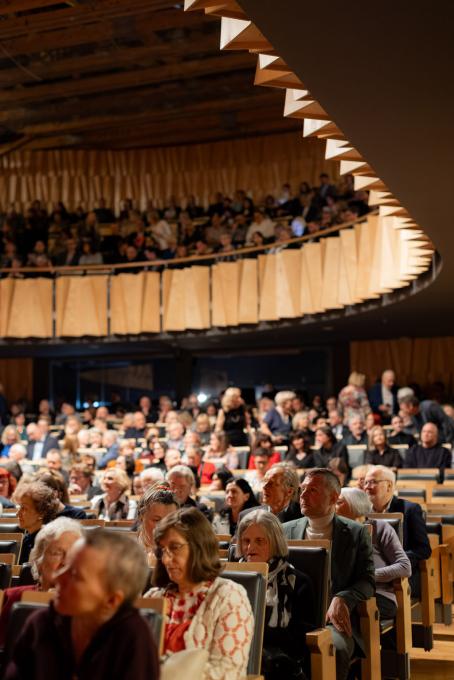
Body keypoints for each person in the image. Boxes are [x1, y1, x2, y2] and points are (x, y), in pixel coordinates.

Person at [5, 529, 160, 680]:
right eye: (65, 566)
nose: (57, 577)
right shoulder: (42, 623)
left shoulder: (134, 639)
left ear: (112, 600)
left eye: (75, 575)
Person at [283, 468, 375, 680]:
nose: (303, 496)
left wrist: (343, 597)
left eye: (312, 490)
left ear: (333, 497)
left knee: (334, 648)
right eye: (302, 490)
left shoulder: (356, 532)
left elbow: (367, 580)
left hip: (333, 621)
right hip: (291, 617)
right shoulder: (284, 530)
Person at [146, 507, 253, 679]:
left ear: (199, 547)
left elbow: (226, 672)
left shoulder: (229, 597)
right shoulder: (153, 597)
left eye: (175, 547)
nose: (165, 559)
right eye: (163, 551)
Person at [237, 509, 315, 680]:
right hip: (235, 652)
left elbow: (299, 642)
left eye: (259, 541)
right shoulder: (230, 579)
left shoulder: (298, 582)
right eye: (246, 541)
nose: (250, 548)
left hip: (280, 661)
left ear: (275, 542)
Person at [0, 517, 83, 645]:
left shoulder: (87, 606)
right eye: (57, 553)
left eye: (73, 555)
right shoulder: (12, 597)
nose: (66, 562)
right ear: (39, 560)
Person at [335, 487, 411, 620]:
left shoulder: (380, 528)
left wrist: (368, 577)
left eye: (339, 502)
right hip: (345, 593)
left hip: (378, 594)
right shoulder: (335, 530)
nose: (332, 506)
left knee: (345, 609)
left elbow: (405, 566)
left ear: (356, 506)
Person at [364, 465, 431, 597]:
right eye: (365, 482)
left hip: (399, 577)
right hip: (369, 573)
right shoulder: (362, 512)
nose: (367, 487)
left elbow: (423, 549)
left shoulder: (410, 510)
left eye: (372, 482)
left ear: (389, 485)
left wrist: (392, 565)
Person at [12, 480, 61, 563]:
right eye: (20, 507)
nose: (18, 514)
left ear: (41, 513)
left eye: (24, 508)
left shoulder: (48, 542)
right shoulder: (26, 539)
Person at [136, 483, 179, 562]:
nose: (164, 526)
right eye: (157, 520)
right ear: (141, 517)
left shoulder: (183, 554)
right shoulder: (127, 550)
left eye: (170, 520)